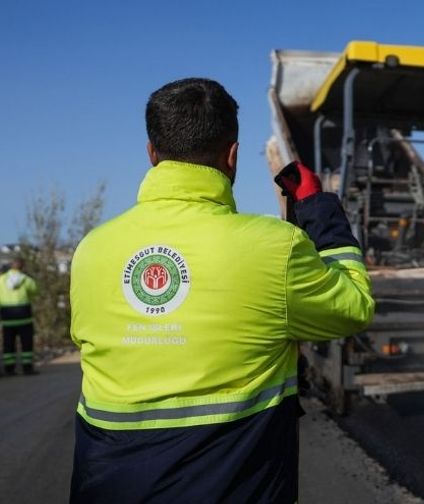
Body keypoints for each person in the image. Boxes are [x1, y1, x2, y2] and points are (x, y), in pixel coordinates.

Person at [69, 78, 375, 503]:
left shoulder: (91, 251)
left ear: (151, 153)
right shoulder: (273, 247)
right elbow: (353, 307)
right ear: (232, 156)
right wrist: (319, 208)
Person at [0, 257, 38, 375]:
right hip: (24, 317)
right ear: (22, 266)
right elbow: (35, 291)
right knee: (26, 343)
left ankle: (9, 368)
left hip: (7, 318)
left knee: (8, 344)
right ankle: (27, 368)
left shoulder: (1, 280)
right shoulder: (26, 280)